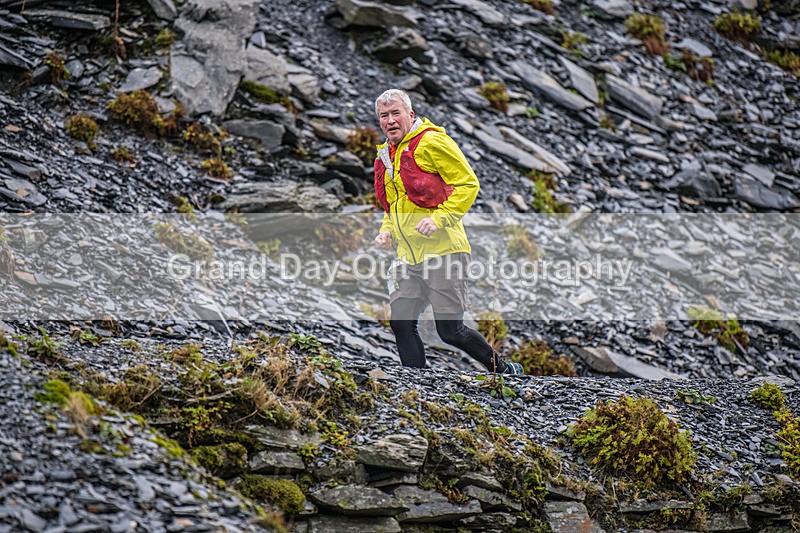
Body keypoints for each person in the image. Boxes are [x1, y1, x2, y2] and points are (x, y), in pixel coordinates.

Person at [372, 88, 523, 374]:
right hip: (408, 255)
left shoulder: (432, 142)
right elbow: (393, 206)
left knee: (449, 330)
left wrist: (439, 219)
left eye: (396, 113)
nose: (390, 120)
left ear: (410, 115)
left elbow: (468, 184)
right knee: (401, 322)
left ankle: (503, 370)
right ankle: (416, 383)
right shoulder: (385, 156)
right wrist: (387, 231)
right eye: (384, 116)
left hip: (445, 251)